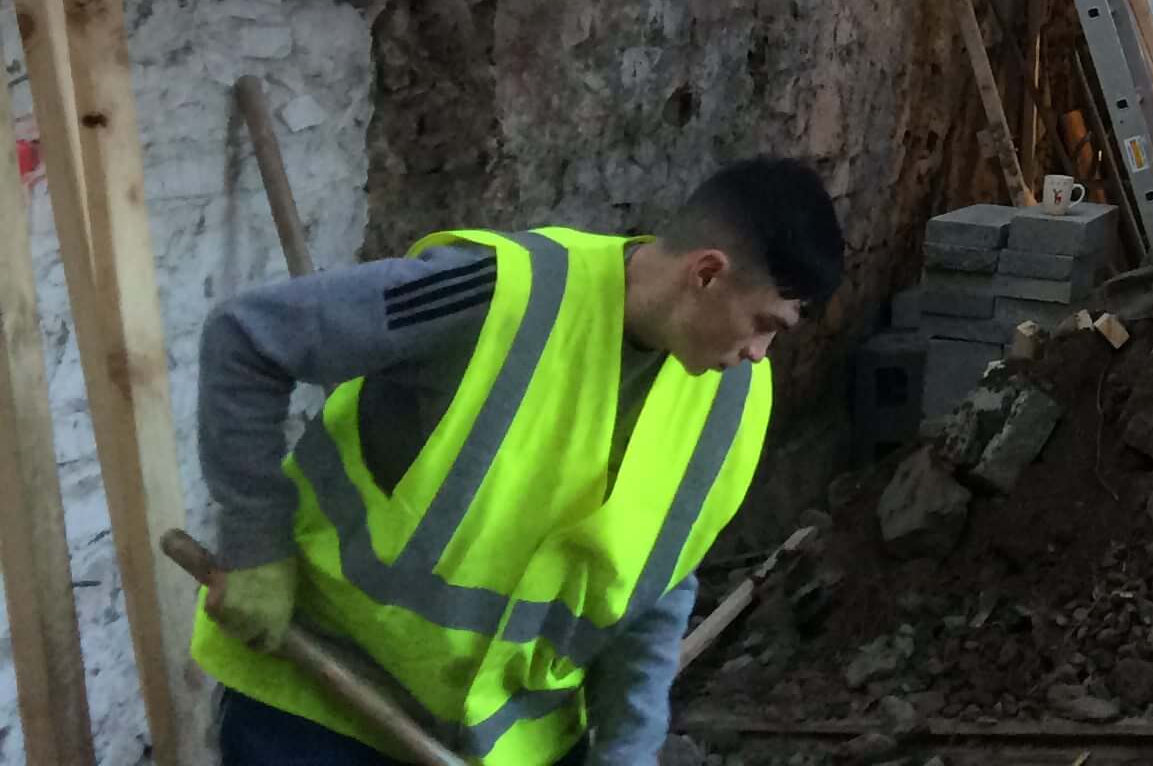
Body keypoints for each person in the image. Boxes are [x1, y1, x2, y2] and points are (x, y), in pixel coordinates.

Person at [193, 156, 845, 766]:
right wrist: (255, 546)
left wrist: (628, 750)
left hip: (504, 744)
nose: (760, 353)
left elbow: (654, 586)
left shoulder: (733, 401)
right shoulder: (497, 295)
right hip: (320, 703)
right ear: (705, 273)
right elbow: (249, 339)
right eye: (764, 323)